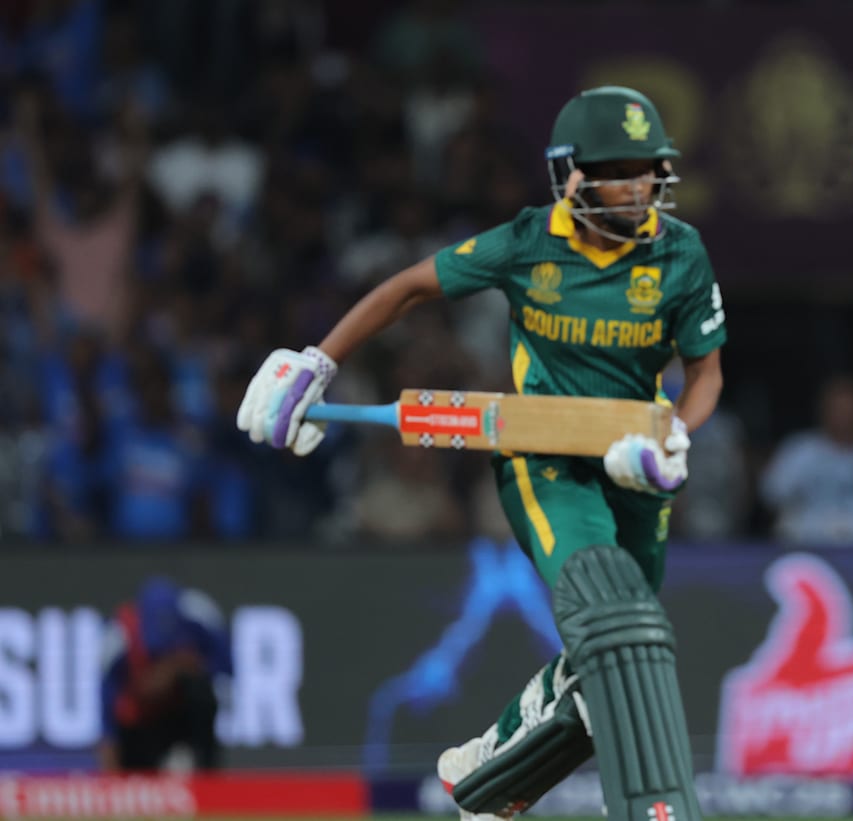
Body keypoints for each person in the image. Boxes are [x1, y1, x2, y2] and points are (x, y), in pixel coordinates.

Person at [235, 85, 726, 821]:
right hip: (543, 459)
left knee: (616, 652)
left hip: (637, 464)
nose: (640, 186)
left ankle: (486, 772)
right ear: (573, 177)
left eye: (648, 169)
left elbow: (706, 373)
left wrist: (677, 434)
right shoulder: (529, 242)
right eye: (620, 171)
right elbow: (409, 289)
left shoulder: (679, 251)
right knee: (611, 623)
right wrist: (319, 361)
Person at [97, 576, 232, 772]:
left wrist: (179, 667)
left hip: (181, 717)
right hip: (140, 724)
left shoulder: (199, 618)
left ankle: (205, 775)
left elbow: (227, 671)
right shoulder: (119, 637)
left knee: (202, 695)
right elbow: (106, 717)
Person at [760, 373, 853, 546]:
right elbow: (771, 497)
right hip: (809, 547)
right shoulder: (799, 450)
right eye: (838, 409)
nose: (846, 416)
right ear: (823, 410)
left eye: (852, 409)